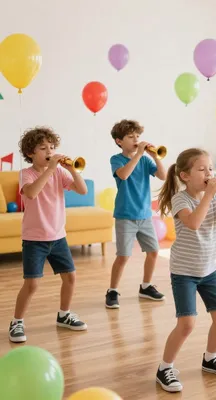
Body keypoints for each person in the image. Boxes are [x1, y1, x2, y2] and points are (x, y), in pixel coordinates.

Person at [155, 148, 216, 392]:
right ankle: (164, 368)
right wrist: (210, 195)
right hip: (184, 272)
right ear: (185, 176)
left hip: (208, 270)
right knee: (187, 324)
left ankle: (211, 358)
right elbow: (193, 223)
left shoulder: (214, 198)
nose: (209, 173)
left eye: (210, 168)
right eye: (202, 169)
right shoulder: (180, 199)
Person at [9, 127, 88, 343]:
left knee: (70, 277)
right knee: (32, 284)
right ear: (30, 153)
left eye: (52, 147)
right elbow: (32, 193)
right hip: (35, 240)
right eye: (43, 148)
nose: (49, 151)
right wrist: (51, 168)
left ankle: (64, 315)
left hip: (58, 237)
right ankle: (17, 321)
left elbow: (82, 190)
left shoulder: (60, 172)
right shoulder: (26, 174)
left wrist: (72, 170)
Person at [105, 119, 167, 308]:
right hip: (125, 216)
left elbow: (163, 176)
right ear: (119, 141)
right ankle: (112, 291)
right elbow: (124, 175)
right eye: (131, 137)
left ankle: (146, 286)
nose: (136, 140)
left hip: (145, 215)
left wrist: (155, 157)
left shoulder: (146, 160)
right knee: (123, 256)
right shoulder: (116, 159)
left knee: (153, 252)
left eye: (138, 136)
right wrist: (139, 154)